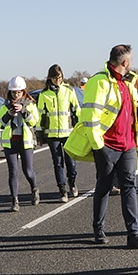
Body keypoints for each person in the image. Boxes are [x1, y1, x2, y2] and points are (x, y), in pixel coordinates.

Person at [65, 44, 138, 249]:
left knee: (129, 185)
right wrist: (99, 147)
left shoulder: (127, 82)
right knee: (104, 187)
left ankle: (133, 233)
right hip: (107, 146)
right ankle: (98, 229)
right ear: (125, 62)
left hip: (128, 145)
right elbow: (90, 118)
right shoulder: (99, 82)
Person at [38, 64, 81, 202]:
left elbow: (76, 110)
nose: (58, 80)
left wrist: (82, 129)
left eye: (60, 77)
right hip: (52, 135)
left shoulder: (69, 91)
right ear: (50, 78)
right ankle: (62, 190)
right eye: (55, 78)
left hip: (68, 133)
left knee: (71, 162)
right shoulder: (44, 94)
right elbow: (40, 116)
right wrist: (39, 135)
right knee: (58, 163)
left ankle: (72, 182)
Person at [0, 76, 40, 211]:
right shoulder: (5, 106)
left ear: (23, 92)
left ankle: (34, 189)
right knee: (13, 172)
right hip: (10, 143)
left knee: (28, 171)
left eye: (19, 92)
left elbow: (34, 122)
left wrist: (23, 110)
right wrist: (8, 115)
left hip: (26, 143)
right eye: (13, 92)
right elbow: (0, 124)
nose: (16, 95)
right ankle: (14, 200)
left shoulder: (30, 104)